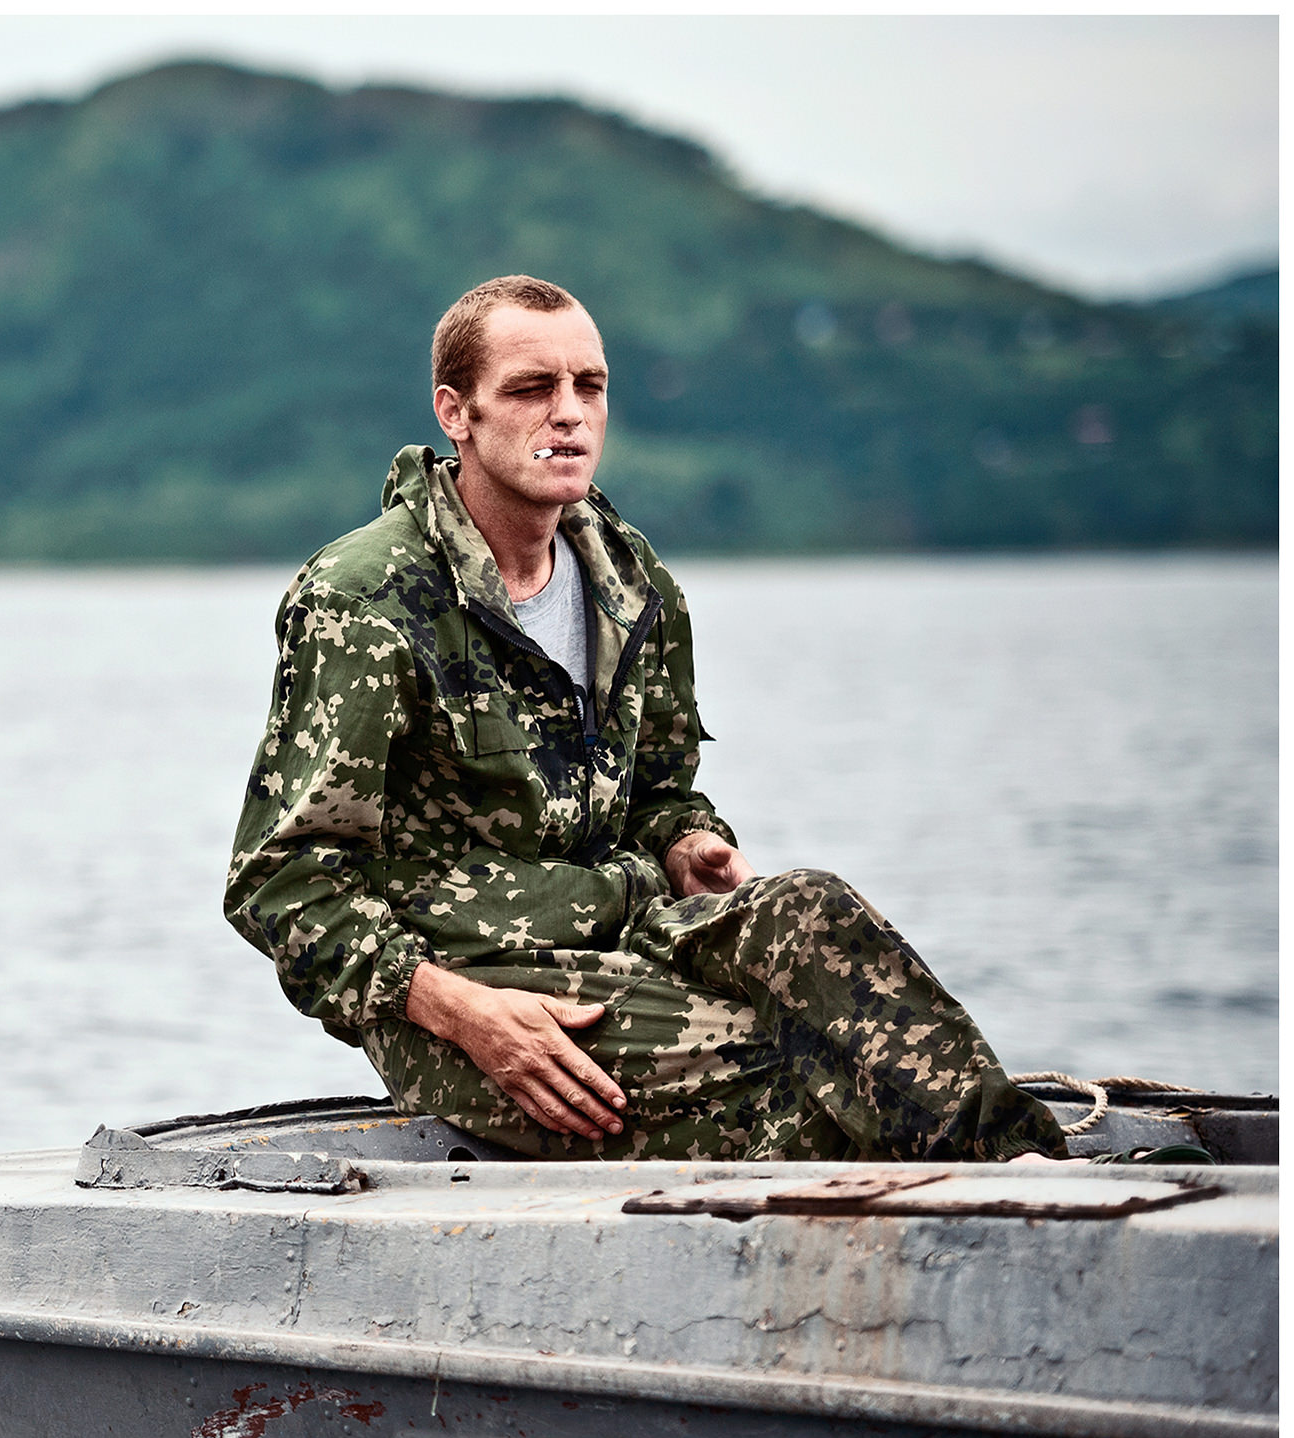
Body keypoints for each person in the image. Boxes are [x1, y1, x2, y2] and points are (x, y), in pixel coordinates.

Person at [224, 275, 1067, 1164]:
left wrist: (685, 842)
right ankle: (1012, 1192)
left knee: (811, 908)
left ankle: (1045, 1175)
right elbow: (280, 882)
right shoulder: (366, 600)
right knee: (780, 1067)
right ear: (456, 413)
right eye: (530, 389)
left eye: (589, 386)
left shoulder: (628, 578)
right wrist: (461, 1013)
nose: (569, 415)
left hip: (633, 931)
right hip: (477, 998)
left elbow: (659, 790)